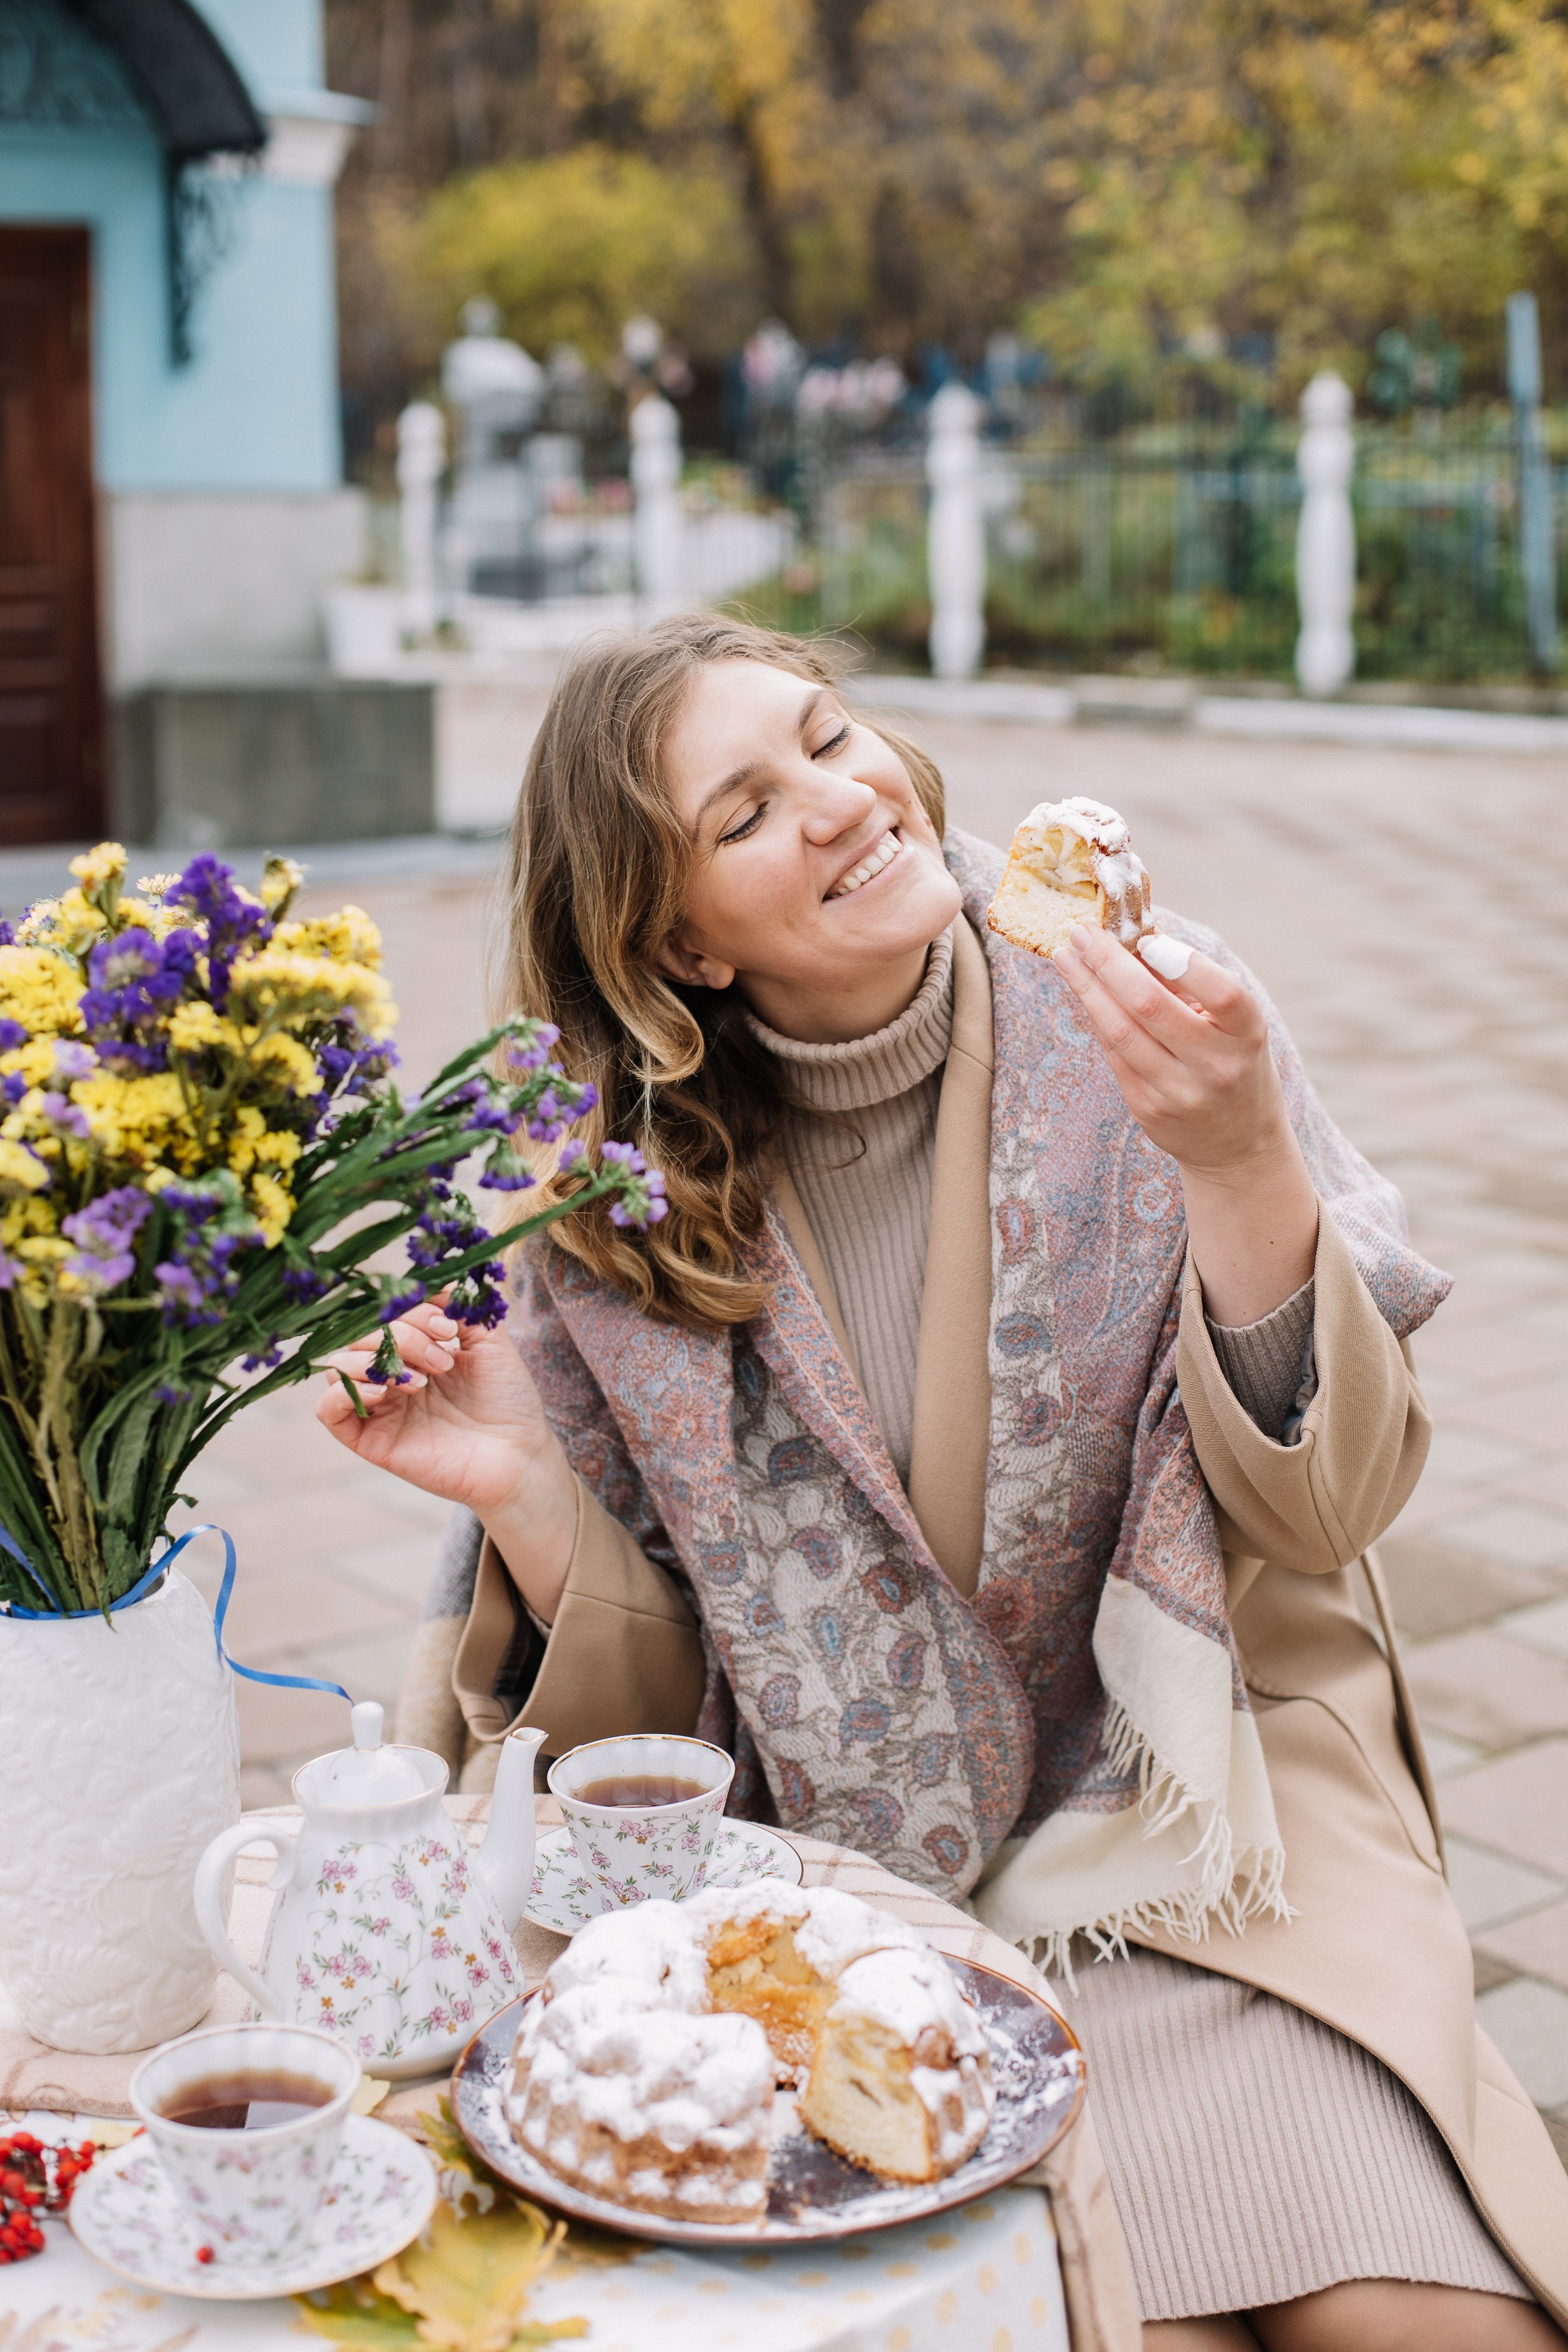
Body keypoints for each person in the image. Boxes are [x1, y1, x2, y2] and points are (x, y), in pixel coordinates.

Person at [320, 617, 1568, 2349]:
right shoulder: (597, 1213)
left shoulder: (1149, 1015)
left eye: (830, 739)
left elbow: (1328, 1509)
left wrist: (1237, 1160)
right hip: (843, 1931)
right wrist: (524, 1487)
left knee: (1438, 2331)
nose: (839, 801)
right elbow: (638, 1752)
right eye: (747, 808)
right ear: (675, 937)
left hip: (1205, 1846)